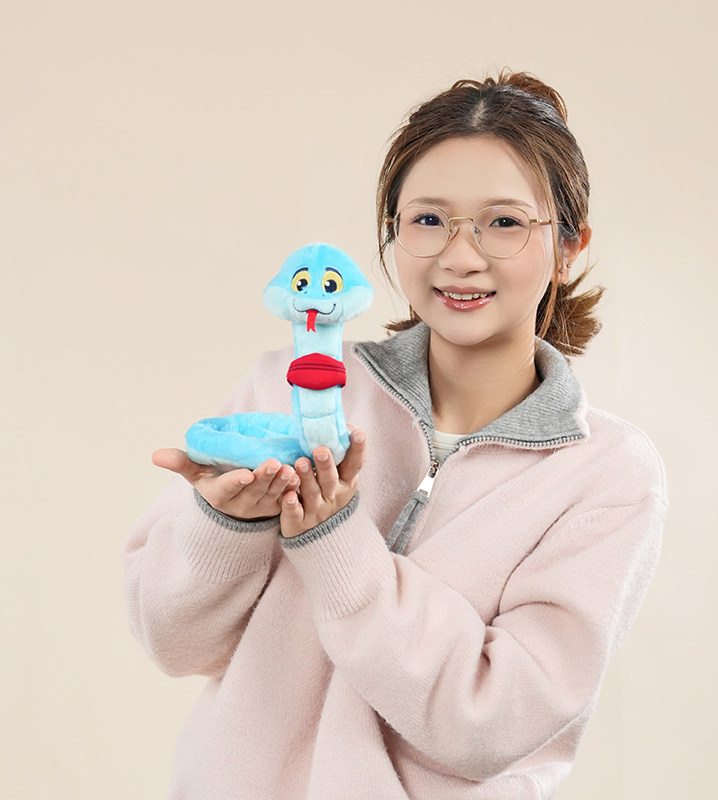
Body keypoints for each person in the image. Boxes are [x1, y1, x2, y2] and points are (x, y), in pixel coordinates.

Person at [123, 70, 667, 800]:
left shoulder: (607, 474)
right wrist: (225, 527)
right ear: (392, 232)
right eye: (428, 219)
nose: (460, 257)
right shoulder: (291, 389)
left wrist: (334, 539)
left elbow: (489, 723)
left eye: (505, 222)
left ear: (569, 247)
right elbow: (171, 643)